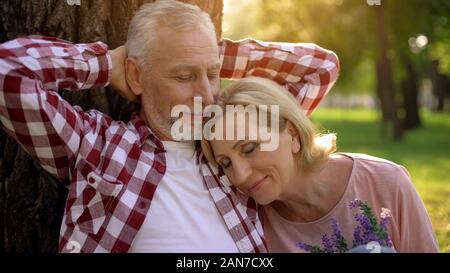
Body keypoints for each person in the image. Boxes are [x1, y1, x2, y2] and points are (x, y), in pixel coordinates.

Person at [0, 0, 339, 253]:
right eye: (184, 76)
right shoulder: (97, 145)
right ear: (136, 75)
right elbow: (6, 74)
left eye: (211, 75)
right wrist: (104, 65)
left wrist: (206, 53)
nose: (206, 96)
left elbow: (320, 68)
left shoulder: (235, 154)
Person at [201, 77, 439, 253]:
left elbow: (323, 65)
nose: (240, 175)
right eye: (226, 163)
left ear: (292, 134)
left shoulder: (386, 181)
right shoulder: (251, 224)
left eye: (250, 148)